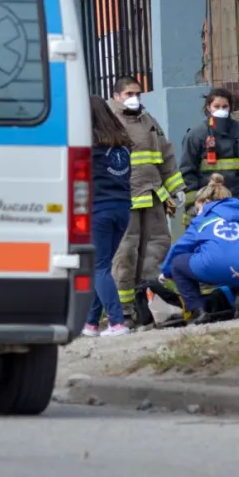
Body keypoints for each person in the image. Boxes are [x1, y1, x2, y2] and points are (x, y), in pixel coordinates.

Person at [108, 76, 185, 327]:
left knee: (156, 251)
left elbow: (166, 155)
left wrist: (176, 187)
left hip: (153, 196)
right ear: (116, 96)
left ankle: (151, 305)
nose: (135, 98)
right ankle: (123, 313)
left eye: (138, 94)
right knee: (125, 255)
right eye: (129, 94)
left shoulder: (148, 120)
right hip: (125, 198)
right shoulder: (108, 122)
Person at [160, 174, 239, 325]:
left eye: (198, 208)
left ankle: (197, 311)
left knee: (177, 263)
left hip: (213, 266)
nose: (197, 212)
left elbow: (180, 247)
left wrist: (166, 272)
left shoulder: (201, 220)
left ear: (206, 202)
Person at [179, 88, 239, 223]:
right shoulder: (196, 136)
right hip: (208, 201)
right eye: (216, 106)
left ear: (230, 108)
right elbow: (187, 172)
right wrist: (192, 204)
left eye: (224, 106)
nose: (221, 110)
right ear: (208, 108)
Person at [82, 97, 133, 338]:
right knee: (102, 266)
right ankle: (91, 323)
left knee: (99, 267)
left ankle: (117, 322)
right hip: (122, 209)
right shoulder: (122, 144)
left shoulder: (88, 146)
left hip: (98, 210)